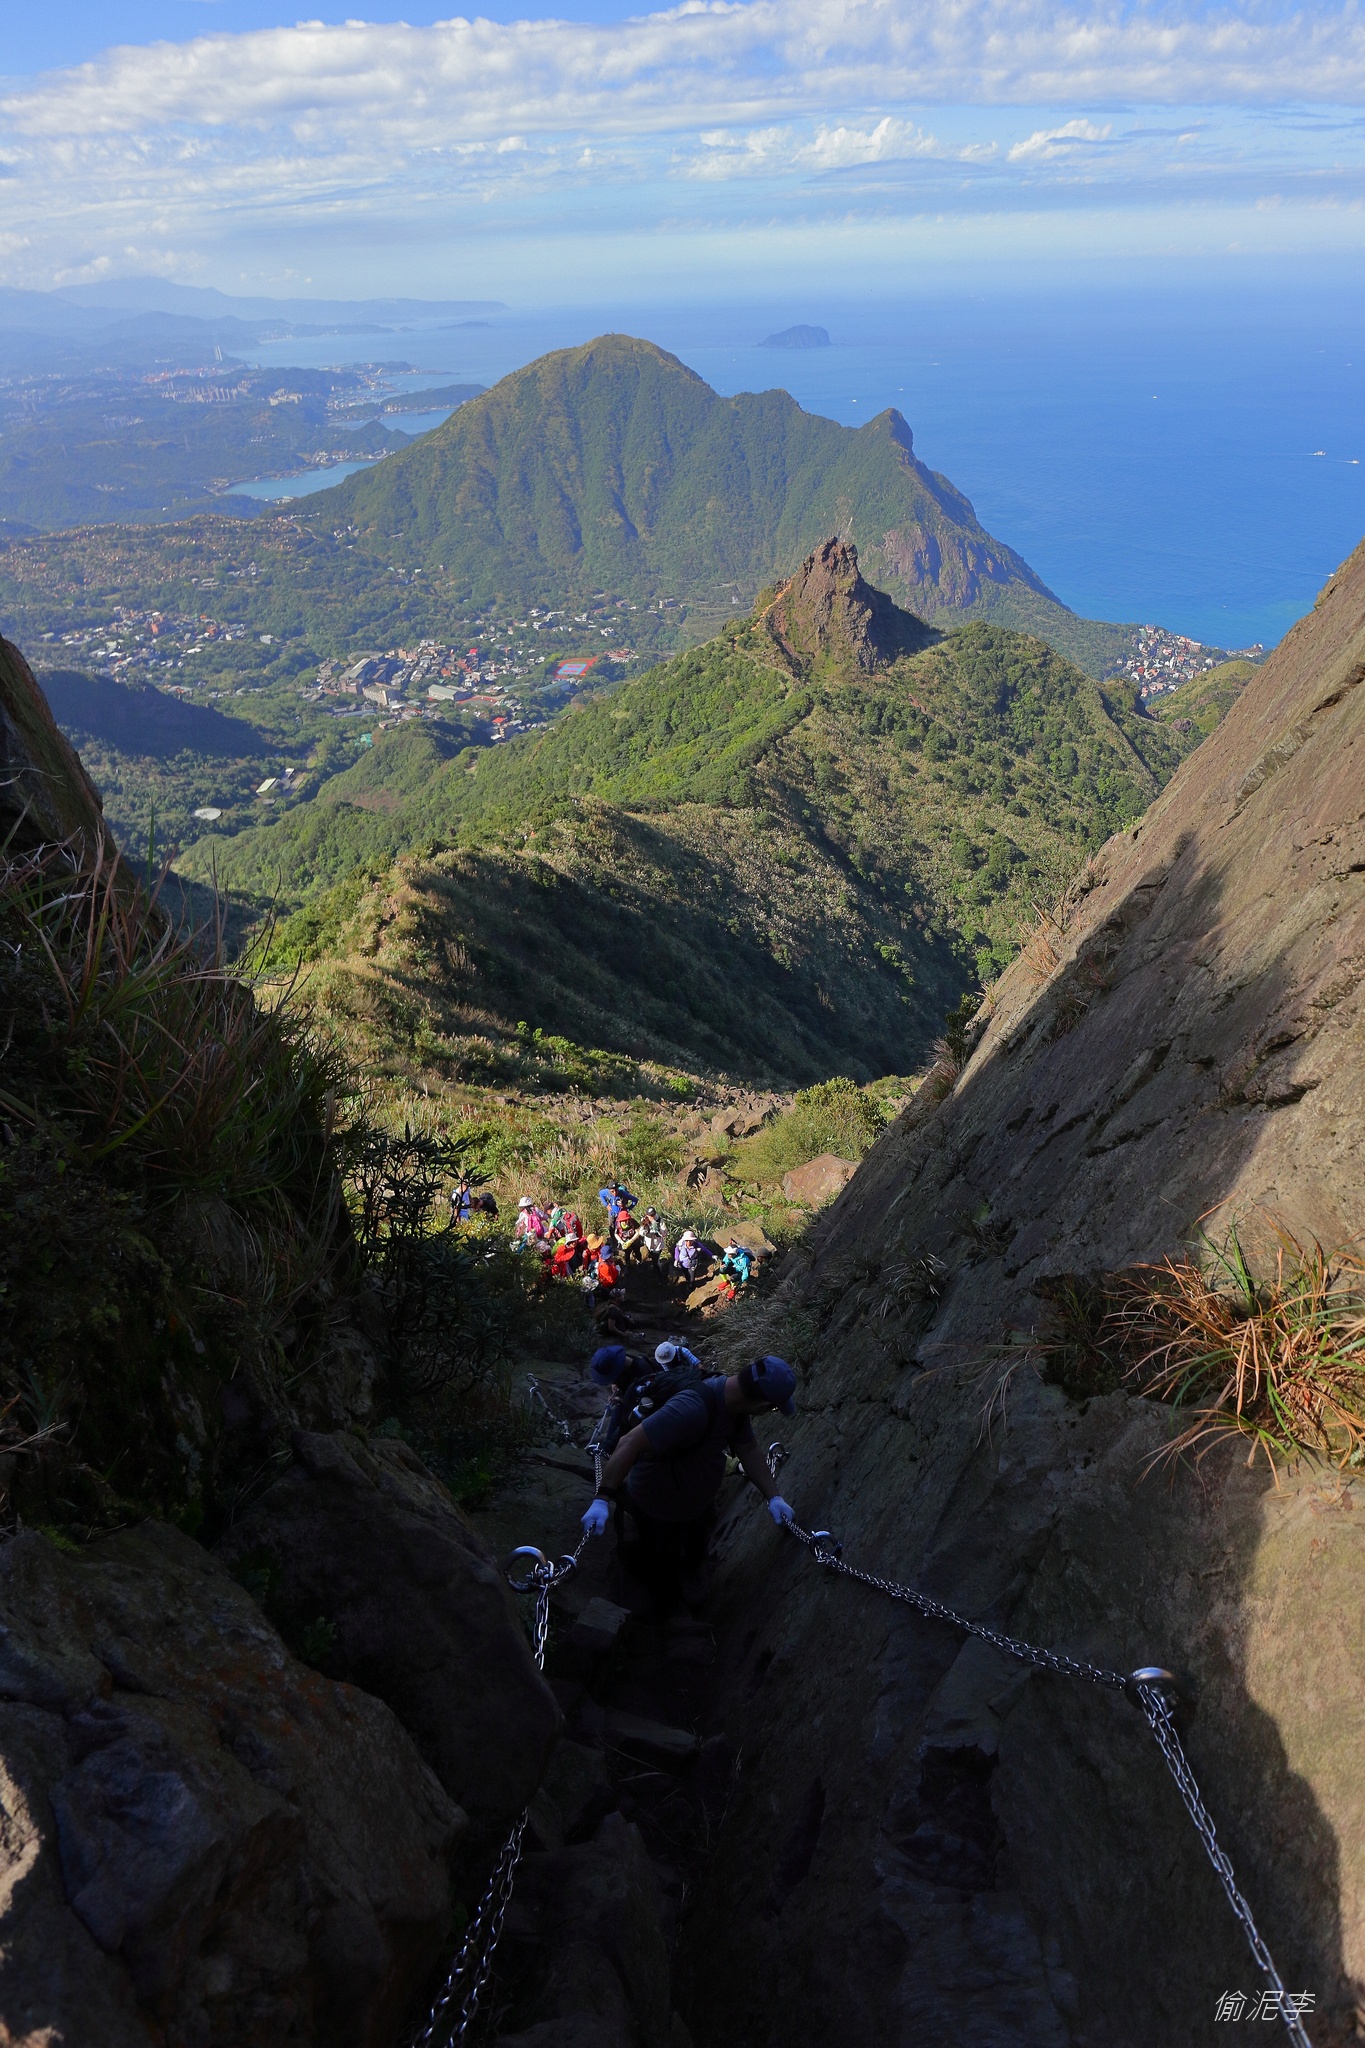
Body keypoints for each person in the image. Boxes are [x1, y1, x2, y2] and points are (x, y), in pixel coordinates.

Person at [581, 1355, 798, 1610]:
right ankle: (665, 1609)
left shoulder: (734, 1405)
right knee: (663, 1561)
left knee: (696, 1543)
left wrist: (774, 1497)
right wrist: (602, 1498)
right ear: (762, 1402)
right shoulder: (691, 1407)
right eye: (773, 1408)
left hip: (696, 1504)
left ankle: (691, 1579)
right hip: (658, 1505)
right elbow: (629, 1443)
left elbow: (748, 1448)